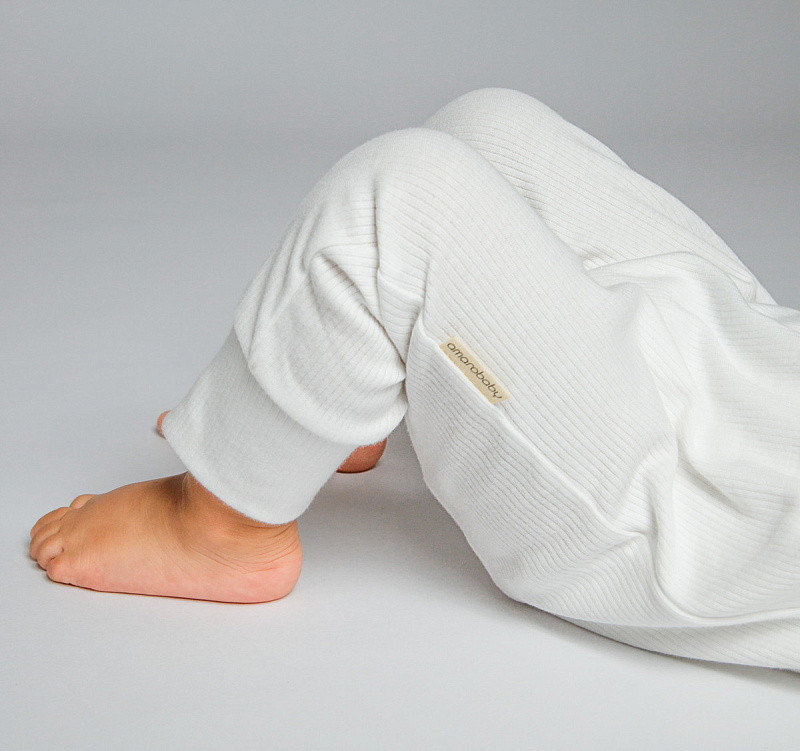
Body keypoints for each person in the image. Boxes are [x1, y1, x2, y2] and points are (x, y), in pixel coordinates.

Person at [28, 87, 800, 672]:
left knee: (392, 209)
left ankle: (223, 526)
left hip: (705, 511)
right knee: (491, 126)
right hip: (758, 363)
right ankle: (338, 394)